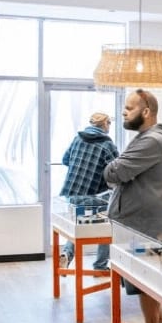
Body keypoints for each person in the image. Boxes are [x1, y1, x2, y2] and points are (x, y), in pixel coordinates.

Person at [106, 89, 162, 323]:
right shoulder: (147, 139)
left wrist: (113, 166)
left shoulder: (151, 141)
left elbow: (115, 172)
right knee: (146, 281)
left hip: (143, 225)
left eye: (130, 108)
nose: (124, 112)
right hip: (141, 223)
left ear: (146, 111)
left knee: (146, 282)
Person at [59, 111, 119, 270]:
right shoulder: (107, 145)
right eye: (109, 124)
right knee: (108, 225)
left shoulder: (77, 139)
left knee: (79, 224)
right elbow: (118, 170)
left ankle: (67, 253)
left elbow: (65, 160)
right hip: (94, 195)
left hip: (71, 193)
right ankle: (100, 265)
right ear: (105, 124)